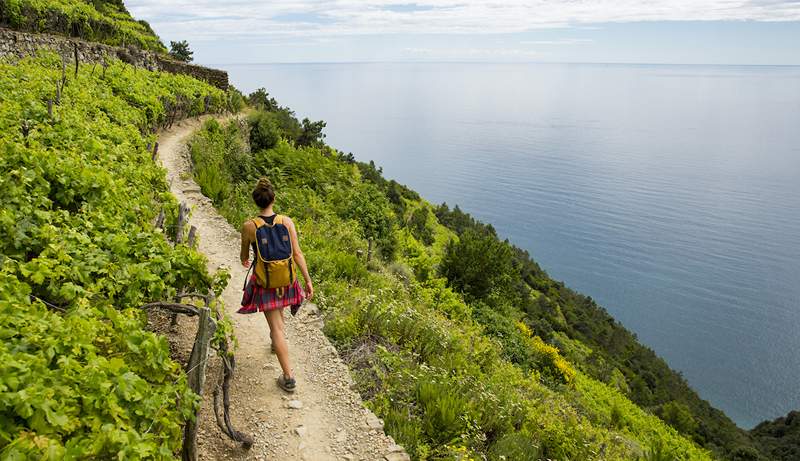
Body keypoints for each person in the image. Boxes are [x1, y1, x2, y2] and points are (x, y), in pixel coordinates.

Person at [238, 178, 314, 392]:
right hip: (287, 280)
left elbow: (244, 257)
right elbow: (297, 254)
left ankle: (288, 378)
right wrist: (307, 280)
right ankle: (275, 343)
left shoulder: (249, 227)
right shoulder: (286, 222)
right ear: (274, 198)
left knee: (277, 328)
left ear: (256, 202)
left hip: (265, 283)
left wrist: (246, 258)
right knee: (278, 324)